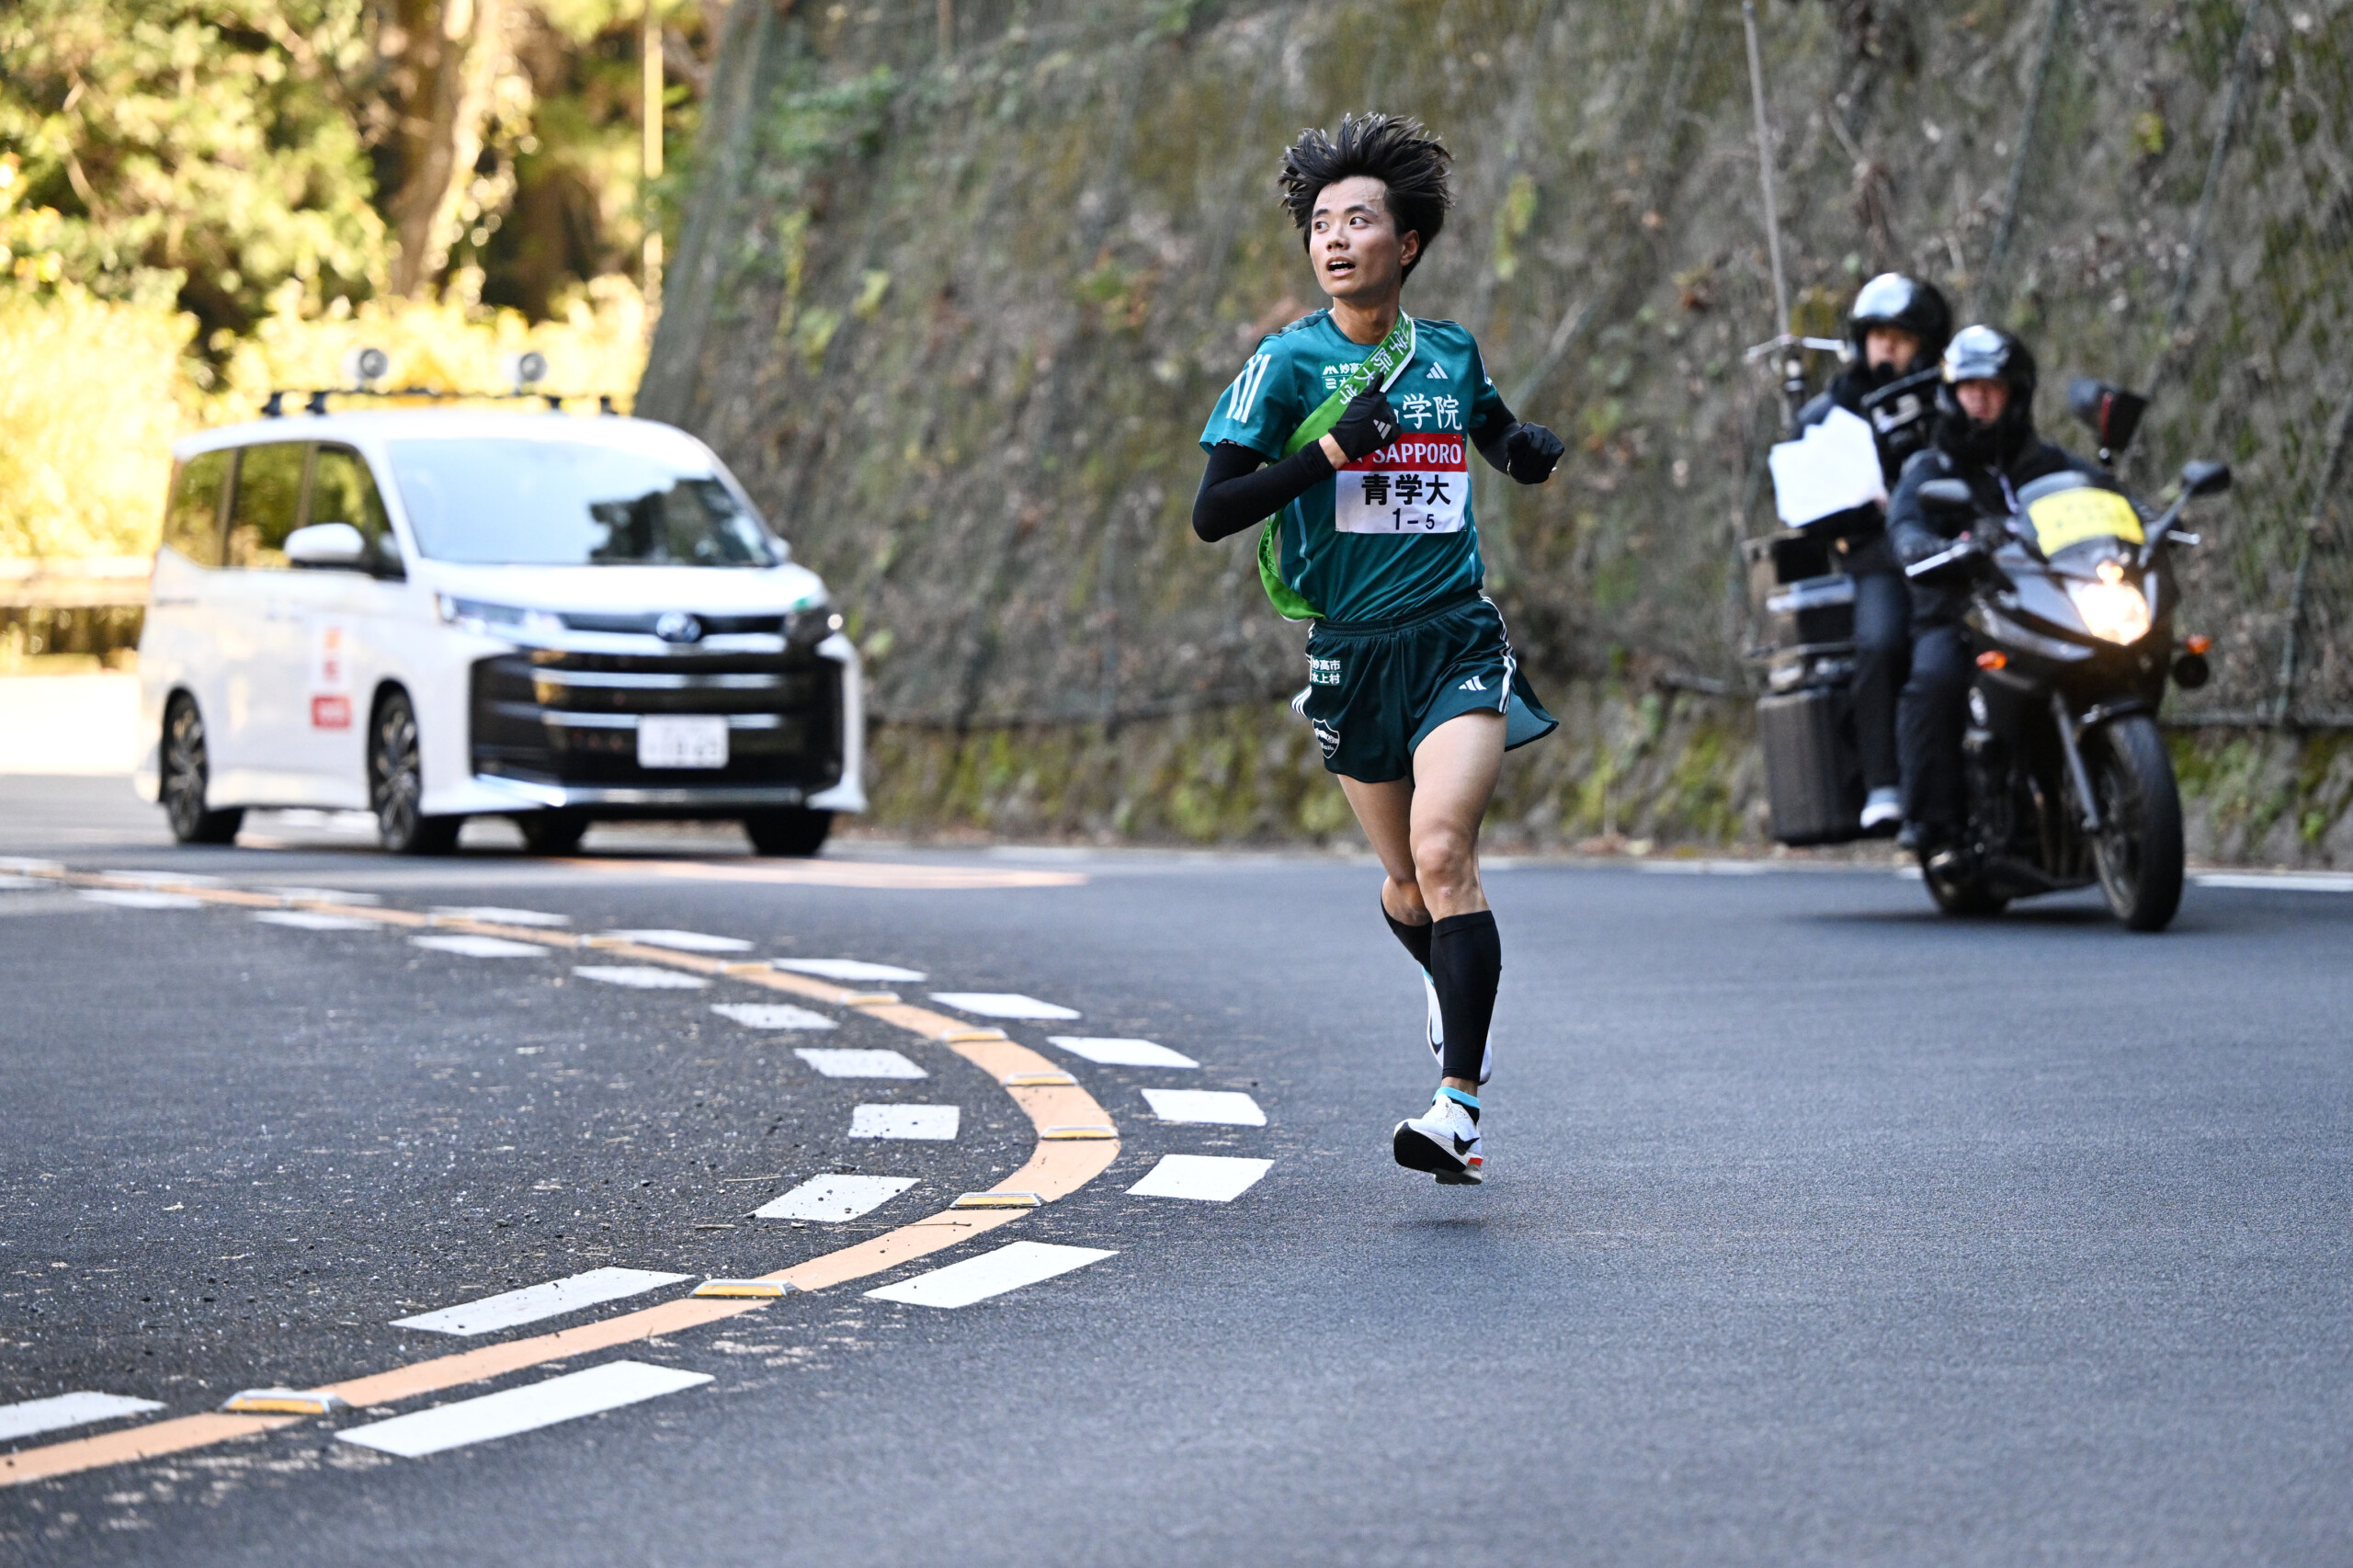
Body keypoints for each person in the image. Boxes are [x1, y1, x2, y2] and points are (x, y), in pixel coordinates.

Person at [1190, 113, 1563, 1186]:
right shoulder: (1286, 363)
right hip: (1351, 654)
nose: (1335, 239)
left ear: (1407, 242)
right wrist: (1327, 451)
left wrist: (1520, 450)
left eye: (1357, 220)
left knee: (1444, 853)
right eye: (1320, 224)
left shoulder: (1446, 350)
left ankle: (1459, 1107)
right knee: (1405, 883)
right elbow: (1214, 512)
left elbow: (1489, 426)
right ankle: (1447, 979)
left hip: (1455, 635)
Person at [1886, 324, 2099, 856]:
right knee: (1935, 677)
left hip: (2043, 605)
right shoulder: (1931, 468)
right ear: (1951, 394)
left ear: (2015, 394)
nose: (1980, 399)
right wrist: (1928, 546)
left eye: (1993, 388)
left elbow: (2104, 495)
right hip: (1960, 611)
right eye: (1969, 388)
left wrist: (2147, 519)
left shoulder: (2047, 463)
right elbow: (1906, 527)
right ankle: (1930, 818)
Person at [1790, 272, 1950, 834]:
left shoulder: (1953, 400)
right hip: (1875, 554)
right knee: (1881, 641)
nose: (1888, 348)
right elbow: (1807, 503)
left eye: (1902, 338)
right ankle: (1884, 781)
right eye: (1880, 336)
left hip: (1948, 545)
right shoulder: (1835, 409)